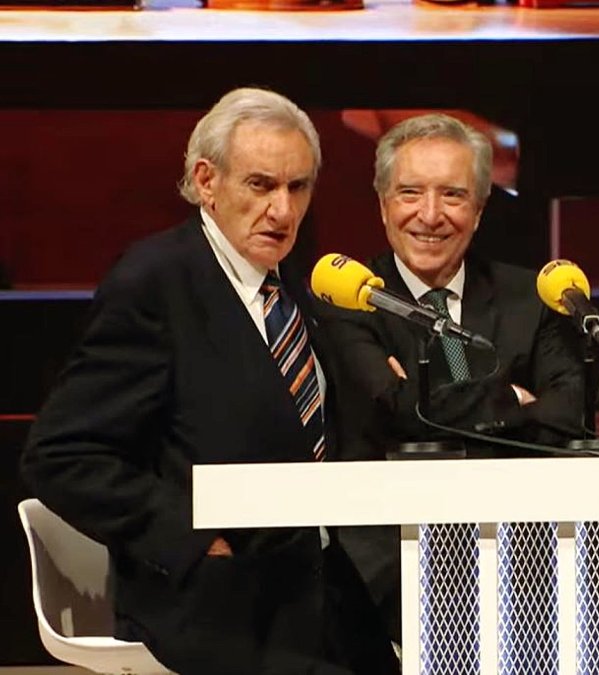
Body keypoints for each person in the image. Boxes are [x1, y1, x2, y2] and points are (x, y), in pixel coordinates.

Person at [21, 87, 399, 675]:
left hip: (319, 591)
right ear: (206, 181)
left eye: (298, 187)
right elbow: (62, 456)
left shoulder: (289, 282)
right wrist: (195, 542)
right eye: (261, 185)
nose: (283, 209)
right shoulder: (156, 282)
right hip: (216, 602)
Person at [320, 112, 585, 639]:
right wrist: (511, 401)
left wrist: (435, 403)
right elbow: (396, 407)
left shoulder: (530, 298)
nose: (430, 215)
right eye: (410, 193)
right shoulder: (348, 302)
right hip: (387, 577)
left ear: (481, 210)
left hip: (522, 570)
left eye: (454, 196)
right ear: (383, 205)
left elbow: (568, 409)